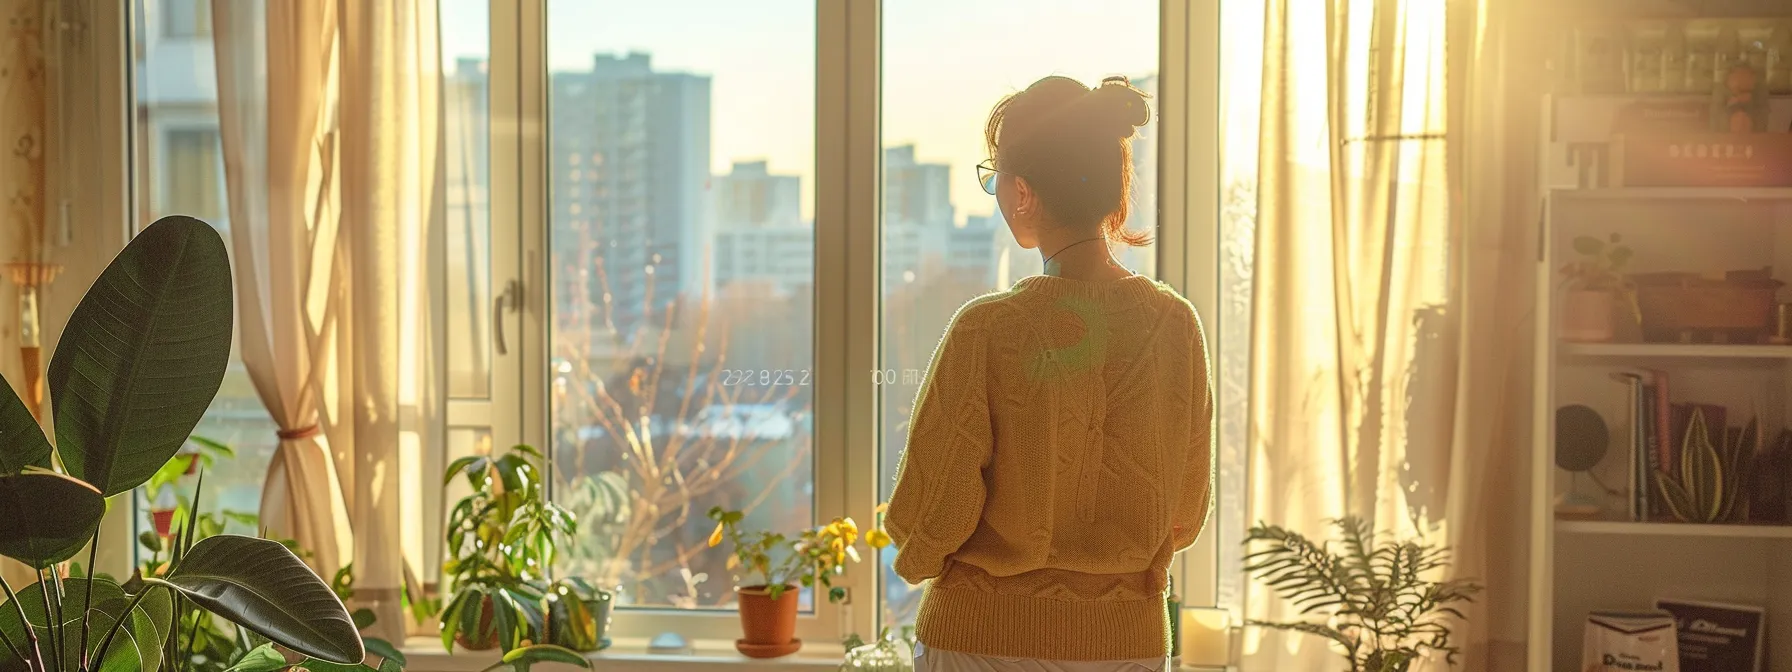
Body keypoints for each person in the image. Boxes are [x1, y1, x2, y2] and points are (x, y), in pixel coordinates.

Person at [884, 74, 1215, 672]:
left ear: (1021, 193)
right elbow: (1186, 515)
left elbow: (928, 521)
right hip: (1127, 645)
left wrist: (912, 557)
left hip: (981, 642)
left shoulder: (986, 330)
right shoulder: (1176, 327)